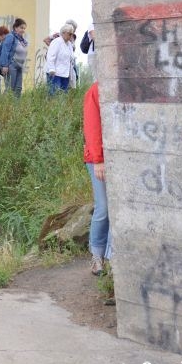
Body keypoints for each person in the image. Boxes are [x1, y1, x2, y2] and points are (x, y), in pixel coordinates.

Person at [83, 81, 112, 275]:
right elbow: (92, 127)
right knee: (103, 206)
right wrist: (99, 160)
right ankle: (97, 257)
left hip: (119, 157)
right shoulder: (96, 90)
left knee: (117, 208)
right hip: (97, 159)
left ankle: (111, 258)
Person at [0, 18, 29, 96]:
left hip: (19, 66)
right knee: (10, 88)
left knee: (18, 88)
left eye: (24, 28)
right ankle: (6, 106)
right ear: (15, 28)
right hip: (11, 65)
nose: (23, 30)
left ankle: (16, 107)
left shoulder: (22, 40)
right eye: (21, 28)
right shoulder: (10, 37)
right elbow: (5, 51)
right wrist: (4, 65)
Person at [45, 24, 75, 94]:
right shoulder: (56, 42)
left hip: (65, 74)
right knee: (54, 95)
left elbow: (71, 58)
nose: (71, 36)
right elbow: (50, 56)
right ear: (63, 33)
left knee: (63, 95)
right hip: (55, 73)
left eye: (72, 34)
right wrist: (51, 69)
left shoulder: (69, 44)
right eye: (69, 34)